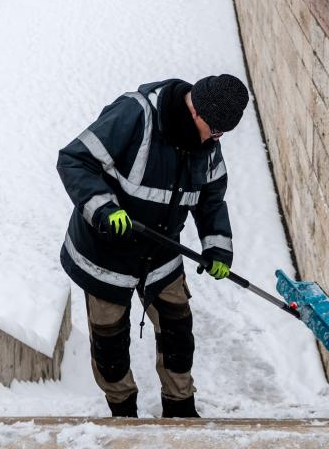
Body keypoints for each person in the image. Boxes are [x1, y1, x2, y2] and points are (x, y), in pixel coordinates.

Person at [58, 74, 250, 420]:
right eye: (216, 130)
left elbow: (211, 198)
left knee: (179, 333)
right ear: (197, 112)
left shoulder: (206, 145)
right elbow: (74, 159)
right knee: (110, 344)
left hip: (161, 254)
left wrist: (217, 247)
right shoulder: (135, 116)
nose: (217, 139)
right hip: (106, 254)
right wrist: (103, 207)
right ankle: (123, 412)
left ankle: (179, 408)